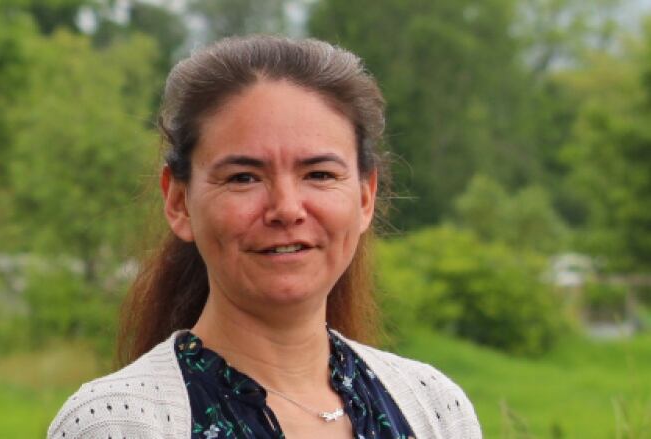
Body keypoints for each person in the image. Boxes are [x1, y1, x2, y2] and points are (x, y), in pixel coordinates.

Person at [47, 35, 481, 439]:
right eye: (243, 177)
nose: (287, 209)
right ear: (179, 201)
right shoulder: (119, 424)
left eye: (319, 174)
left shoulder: (436, 410)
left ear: (365, 196)